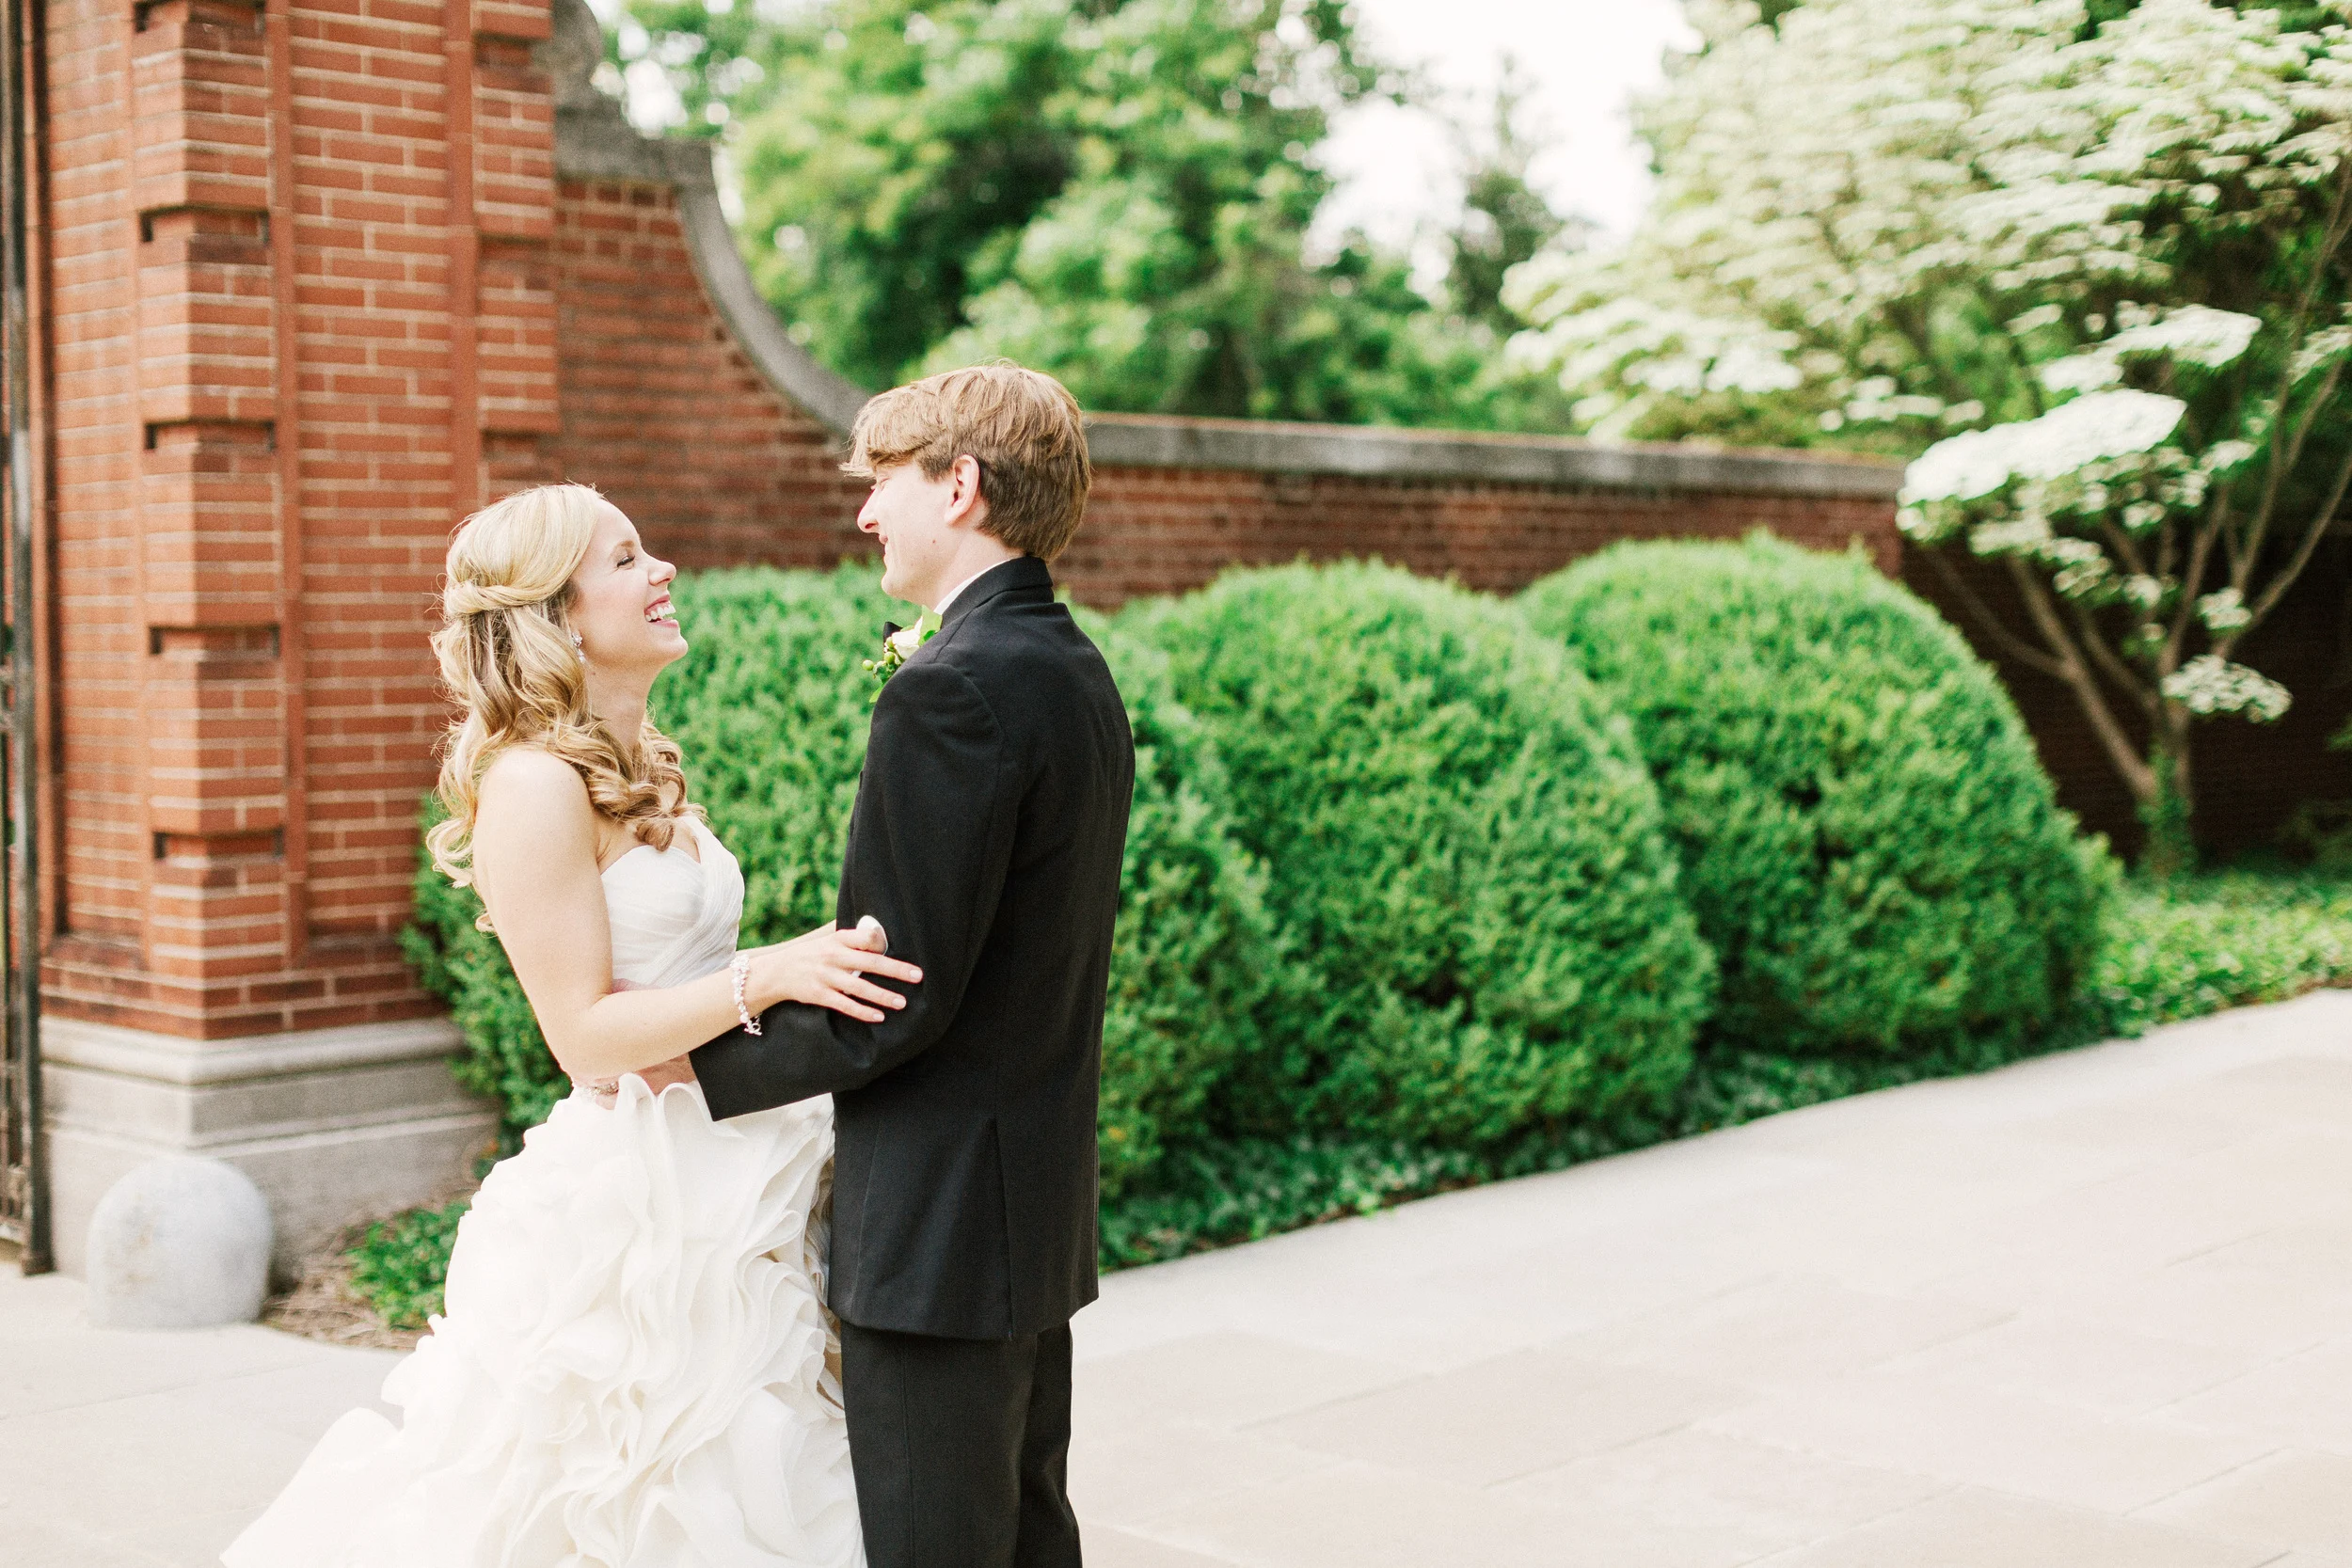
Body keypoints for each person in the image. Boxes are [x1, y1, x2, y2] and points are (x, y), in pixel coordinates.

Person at [222, 479, 920, 1567]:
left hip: (740, 1153)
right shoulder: (534, 785)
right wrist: (775, 976)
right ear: (554, 612)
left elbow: (675, 966)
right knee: (648, 1494)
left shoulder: (640, 763)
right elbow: (585, 1033)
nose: (663, 571)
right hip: (643, 1209)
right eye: (628, 558)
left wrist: (803, 974)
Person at [690, 363, 1133, 1568]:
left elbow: (888, 1001)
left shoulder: (952, 691)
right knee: (1028, 1536)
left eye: (884, 480)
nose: (865, 513)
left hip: (938, 1233)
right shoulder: (1072, 668)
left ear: (961, 484)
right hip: (1025, 1210)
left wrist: (687, 1060)